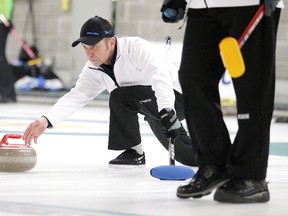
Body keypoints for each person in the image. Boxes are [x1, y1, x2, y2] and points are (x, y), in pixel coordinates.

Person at [23, 15, 198, 167]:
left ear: (111, 42)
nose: (90, 53)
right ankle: (135, 153)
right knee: (188, 156)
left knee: (121, 95)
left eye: (94, 47)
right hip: (150, 103)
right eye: (85, 48)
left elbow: (160, 78)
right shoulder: (93, 68)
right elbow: (78, 95)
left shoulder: (136, 49)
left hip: (177, 96)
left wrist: (167, 110)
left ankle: (218, 157)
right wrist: (46, 120)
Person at [160, 0, 283, 203]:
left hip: (250, 4)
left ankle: (250, 175)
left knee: (252, 86)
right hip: (203, 5)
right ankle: (212, 164)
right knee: (193, 79)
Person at [0, 0, 16, 103]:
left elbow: (8, 2)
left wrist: (7, 17)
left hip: (2, 22)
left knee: (0, 58)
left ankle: (8, 93)